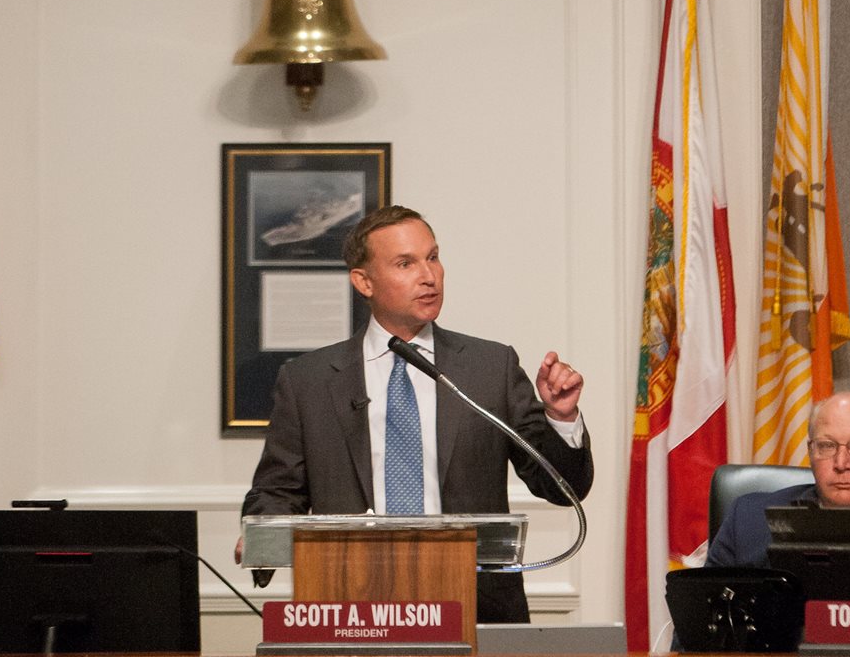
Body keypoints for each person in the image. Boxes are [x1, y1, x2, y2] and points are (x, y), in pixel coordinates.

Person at [237, 204, 593, 624]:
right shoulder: (308, 381)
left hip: (475, 606)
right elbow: (280, 489)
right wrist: (260, 531)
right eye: (406, 263)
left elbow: (561, 485)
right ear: (363, 281)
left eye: (433, 257)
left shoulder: (488, 367)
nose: (429, 276)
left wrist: (561, 418)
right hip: (352, 607)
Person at [707, 391, 850, 568]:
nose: (841, 463)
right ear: (810, 452)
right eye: (827, 446)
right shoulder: (749, 520)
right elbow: (709, 603)